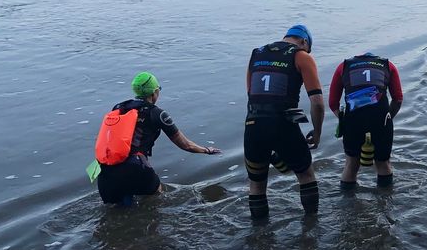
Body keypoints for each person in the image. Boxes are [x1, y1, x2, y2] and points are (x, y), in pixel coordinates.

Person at [94, 71, 221, 206]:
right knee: (156, 201)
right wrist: (206, 150)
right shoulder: (158, 114)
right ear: (154, 92)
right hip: (136, 168)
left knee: (118, 211)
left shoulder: (119, 108)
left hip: (106, 172)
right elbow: (186, 145)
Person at [244, 25, 325, 220]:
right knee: (305, 174)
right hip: (283, 124)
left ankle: (260, 237)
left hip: (253, 125)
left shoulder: (256, 54)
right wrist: (317, 131)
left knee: (256, 184)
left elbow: (252, 95)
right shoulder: (302, 57)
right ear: (304, 42)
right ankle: (311, 225)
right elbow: (318, 103)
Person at [328, 52, 404, 190]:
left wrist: (343, 120)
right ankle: (385, 204)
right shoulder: (388, 65)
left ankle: (348, 204)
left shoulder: (343, 66)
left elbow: (333, 103)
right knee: (383, 163)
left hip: (353, 119)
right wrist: (388, 118)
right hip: (381, 118)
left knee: (351, 163)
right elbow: (398, 99)